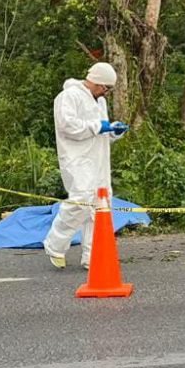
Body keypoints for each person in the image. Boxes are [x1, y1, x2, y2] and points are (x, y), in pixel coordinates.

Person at [43, 62, 129, 269]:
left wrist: (113, 132)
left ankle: (93, 256)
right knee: (81, 201)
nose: (106, 93)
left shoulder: (100, 102)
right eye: (106, 88)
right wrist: (99, 126)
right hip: (77, 160)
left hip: (99, 160)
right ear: (98, 82)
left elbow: (100, 134)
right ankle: (55, 244)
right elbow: (68, 127)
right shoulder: (68, 96)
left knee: (100, 207)